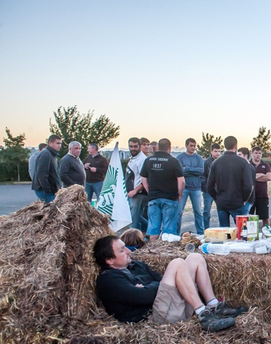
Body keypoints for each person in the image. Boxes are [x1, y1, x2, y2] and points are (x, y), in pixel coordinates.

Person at [94, 235, 244, 332]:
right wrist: (149, 289)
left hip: (170, 307)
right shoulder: (109, 280)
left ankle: (213, 306)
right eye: (122, 250)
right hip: (156, 318)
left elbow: (155, 283)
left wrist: (147, 288)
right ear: (109, 260)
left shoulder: (136, 265)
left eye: (125, 247)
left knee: (194, 258)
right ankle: (203, 315)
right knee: (177, 263)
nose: (128, 251)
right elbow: (143, 298)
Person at [140, 138, 184, 241]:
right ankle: (166, 253)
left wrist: (149, 191)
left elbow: (143, 178)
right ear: (169, 148)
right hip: (170, 198)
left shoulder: (148, 161)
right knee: (168, 230)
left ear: (158, 147)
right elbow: (181, 181)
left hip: (154, 197)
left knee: (153, 228)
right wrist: (180, 194)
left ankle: (152, 252)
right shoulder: (174, 161)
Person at [206, 136, 254, 227]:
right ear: (236, 146)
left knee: (224, 232)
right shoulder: (243, 163)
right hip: (238, 201)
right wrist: (244, 199)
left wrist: (216, 198)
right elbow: (248, 185)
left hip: (222, 201)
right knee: (242, 231)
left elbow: (209, 186)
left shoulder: (216, 163)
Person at [177, 138, 205, 234]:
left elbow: (201, 171)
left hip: (196, 188)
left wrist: (187, 169)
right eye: (191, 145)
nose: (193, 148)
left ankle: (200, 233)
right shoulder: (180, 158)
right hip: (183, 188)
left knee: (198, 212)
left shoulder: (199, 158)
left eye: (194, 146)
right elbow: (180, 171)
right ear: (186, 146)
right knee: (179, 212)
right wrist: (193, 171)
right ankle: (176, 233)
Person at [126, 137, 148, 232]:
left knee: (133, 221)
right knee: (136, 217)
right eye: (131, 146)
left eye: (135, 146)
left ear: (139, 146)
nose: (133, 148)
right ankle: (151, 230)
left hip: (138, 194)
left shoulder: (142, 159)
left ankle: (133, 241)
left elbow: (145, 179)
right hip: (131, 193)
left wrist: (135, 190)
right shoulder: (133, 158)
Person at [32, 135, 62, 203]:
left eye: (60, 143)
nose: (59, 145)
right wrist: (48, 190)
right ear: (50, 143)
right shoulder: (46, 154)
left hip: (50, 191)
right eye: (57, 143)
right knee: (53, 211)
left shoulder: (51, 154)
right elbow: (42, 175)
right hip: (45, 191)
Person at [250, 146, 271, 226]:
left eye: (259, 153)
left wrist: (254, 177)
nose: (258, 155)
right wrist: (262, 175)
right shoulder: (248, 165)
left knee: (265, 218)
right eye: (256, 153)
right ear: (252, 154)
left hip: (263, 196)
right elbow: (248, 178)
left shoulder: (265, 165)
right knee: (249, 218)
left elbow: (269, 177)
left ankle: (267, 234)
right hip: (250, 196)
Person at [201, 143, 221, 229]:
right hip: (208, 191)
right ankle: (206, 229)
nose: (217, 153)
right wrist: (206, 188)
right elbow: (202, 176)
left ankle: (222, 228)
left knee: (221, 211)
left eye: (219, 151)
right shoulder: (206, 163)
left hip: (219, 191)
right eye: (215, 151)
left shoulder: (221, 162)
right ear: (211, 151)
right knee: (206, 212)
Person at [237, 147, 256, 213]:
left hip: (247, 200)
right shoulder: (243, 167)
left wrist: (245, 199)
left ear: (246, 156)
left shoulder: (249, 168)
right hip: (241, 199)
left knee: (244, 220)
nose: (237, 157)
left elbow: (251, 185)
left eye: (239, 155)